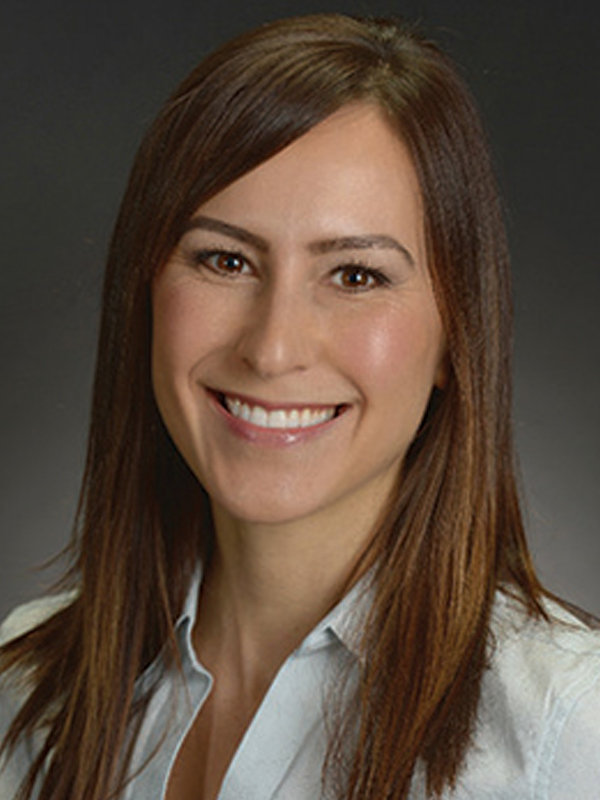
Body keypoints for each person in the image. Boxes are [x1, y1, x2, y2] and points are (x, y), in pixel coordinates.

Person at [1, 12, 599, 800]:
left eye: (355, 276)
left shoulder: (568, 733)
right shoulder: (24, 689)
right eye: (226, 259)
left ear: (457, 337)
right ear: (145, 295)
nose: (273, 347)